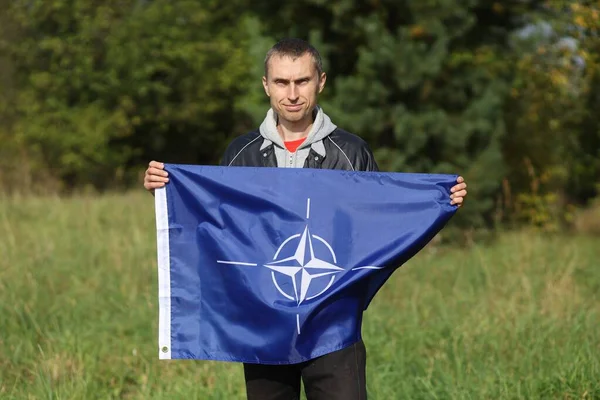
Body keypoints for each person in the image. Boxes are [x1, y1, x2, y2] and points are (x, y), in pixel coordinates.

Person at [144, 38, 467, 400]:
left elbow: (377, 229)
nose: (292, 93)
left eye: (302, 81)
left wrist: (437, 201)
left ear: (321, 82)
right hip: (263, 325)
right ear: (266, 85)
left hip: (333, 328)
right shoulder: (240, 153)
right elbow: (215, 227)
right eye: (282, 82)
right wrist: (167, 190)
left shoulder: (352, 153)